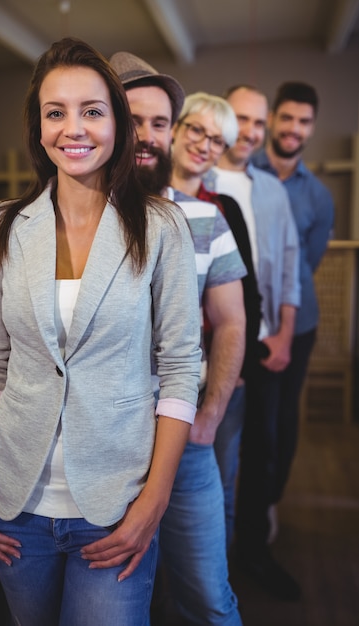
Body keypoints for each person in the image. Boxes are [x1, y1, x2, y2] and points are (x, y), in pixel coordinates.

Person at [0, 37, 203, 626]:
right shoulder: (2, 228)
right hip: (16, 505)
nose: (74, 128)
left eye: (92, 110)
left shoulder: (161, 226)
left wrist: (155, 499)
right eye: (56, 112)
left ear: (117, 122)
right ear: (38, 126)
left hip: (114, 504)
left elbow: (180, 368)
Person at [110, 51, 246, 626]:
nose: (147, 136)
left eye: (160, 123)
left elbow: (234, 321)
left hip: (187, 447)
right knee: (120, 605)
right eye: (133, 119)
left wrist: (211, 412)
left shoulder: (204, 219)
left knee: (208, 598)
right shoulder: (75, 222)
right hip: (106, 452)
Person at [203, 85, 302, 601]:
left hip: (267, 344)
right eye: (242, 119)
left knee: (263, 454)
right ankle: (209, 569)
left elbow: (288, 265)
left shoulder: (271, 188)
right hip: (223, 345)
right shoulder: (202, 178)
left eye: (259, 123)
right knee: (222, 462)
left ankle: (253, 555)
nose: (252, 131)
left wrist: (284, 332)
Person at [170, 91, 263, 552]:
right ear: (175, 128)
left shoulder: (221, 210)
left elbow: (246, 302)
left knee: (216, 489)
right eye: (197, 130)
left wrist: (234, 377)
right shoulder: (137, 199)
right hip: (159, 384)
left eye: (218, 140)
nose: (206, 144)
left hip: (215, 377)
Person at [251, 81, 334, 522]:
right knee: (251, 421)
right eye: (287, 118)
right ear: (272, 121)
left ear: (311, 127)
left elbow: (310, 262)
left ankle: (269, 502)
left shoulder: (318, 196)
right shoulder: (245, 171)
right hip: (247, 320)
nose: (294, 129)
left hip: (296, 325)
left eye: (304, 121)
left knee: (282, 420)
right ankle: (244, 501)